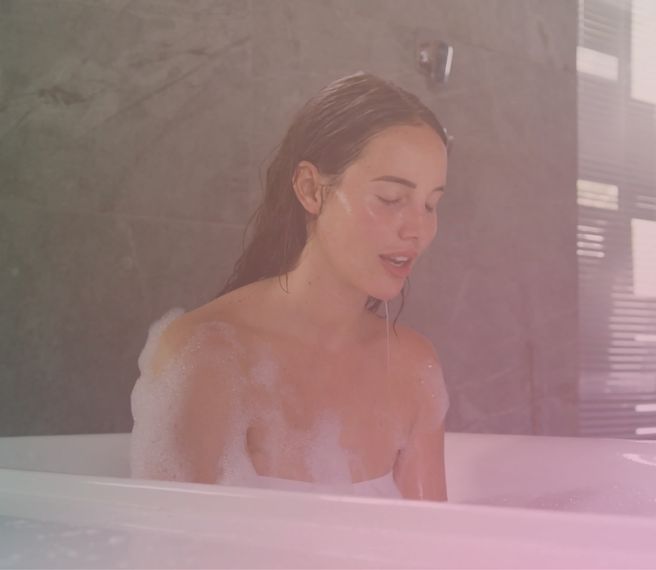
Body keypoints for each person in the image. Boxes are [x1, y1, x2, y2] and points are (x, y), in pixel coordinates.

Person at [129, 71, 450, 501]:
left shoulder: (413, 367)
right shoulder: (208, 356)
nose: (418, 229)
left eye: (431, 204)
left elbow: (437, 548)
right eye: (391, 198)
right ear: (310, 189)